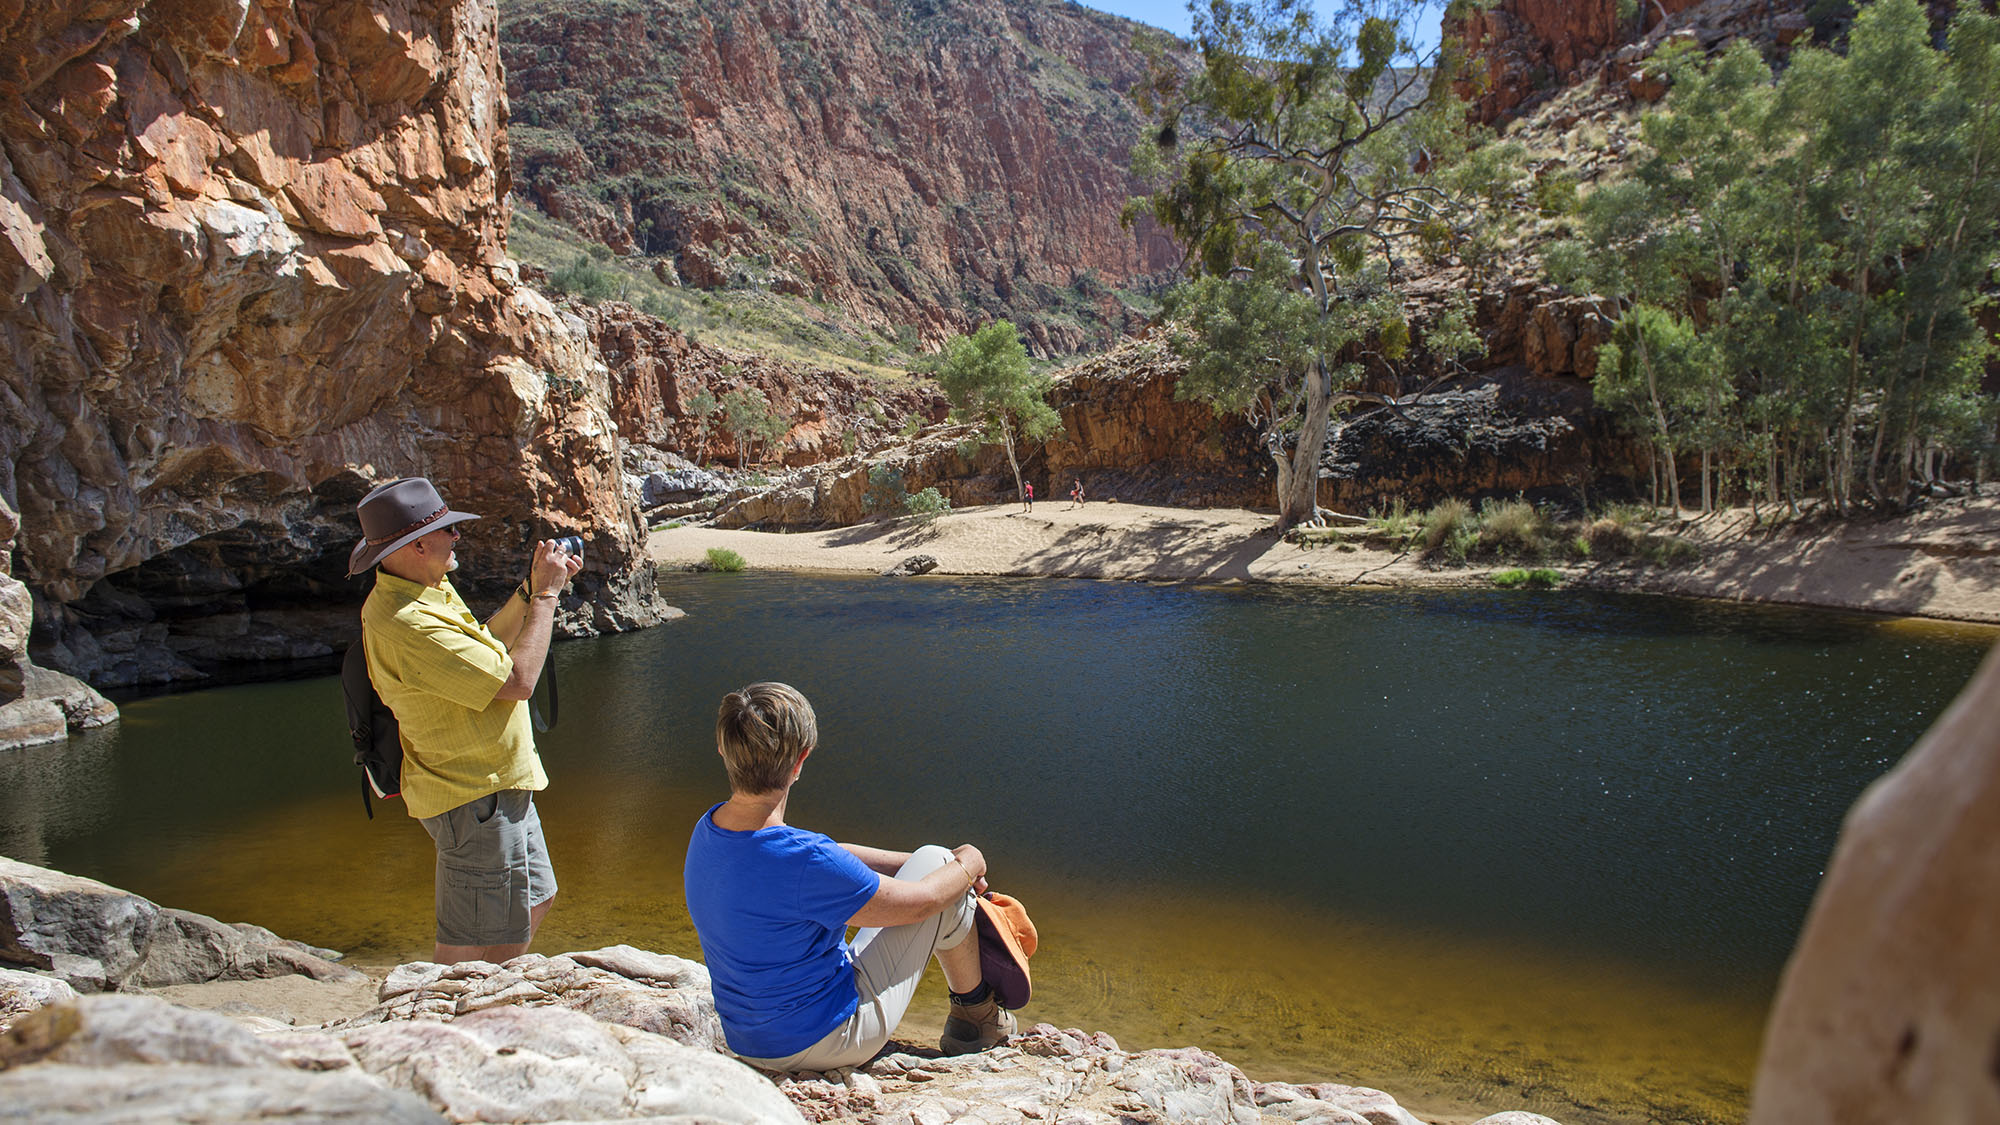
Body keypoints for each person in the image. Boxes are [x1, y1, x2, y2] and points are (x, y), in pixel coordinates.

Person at [684, 682, 1015, 1071]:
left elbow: (816, 856)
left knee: (935, 863)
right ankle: (976, 1019)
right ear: (800, 761)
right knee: (946, 882)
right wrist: (969, 862)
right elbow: (923, 903)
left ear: (724, 749)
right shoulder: (806, 861)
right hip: (825, 1040)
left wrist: (918, 862)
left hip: (748, 1039)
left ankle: (973, 1014)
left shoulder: (709, 829)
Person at [346, 477, 581, 965]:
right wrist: (545, 600)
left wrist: (527, 590)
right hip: (472, 797)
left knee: (534, 900)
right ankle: (445, 1019)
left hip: (497, 786)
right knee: (471, 945)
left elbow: (484, 646)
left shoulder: (428, 589)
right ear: (417, 546)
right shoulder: (406, 621)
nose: (457, 537)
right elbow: (517, 680)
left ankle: (481, 1006)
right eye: (448, 531)